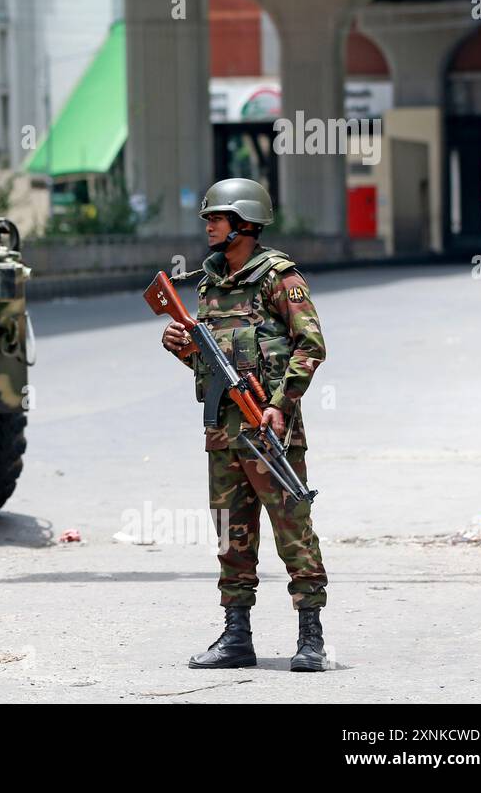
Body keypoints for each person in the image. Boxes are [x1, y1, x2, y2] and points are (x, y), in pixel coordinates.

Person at [160, 178, 330, 672]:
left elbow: (311, 345)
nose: (208, 225)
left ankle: (311, 636)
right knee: (230, 535)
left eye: (216, 218)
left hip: (269, 431)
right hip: (222, 433)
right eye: (210, 218)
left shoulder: (280, 277)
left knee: (292, 528)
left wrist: (281, 404)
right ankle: (236, 636)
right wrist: (184, 348)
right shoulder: (210, 282)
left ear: (244, 224)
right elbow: (210, 365)